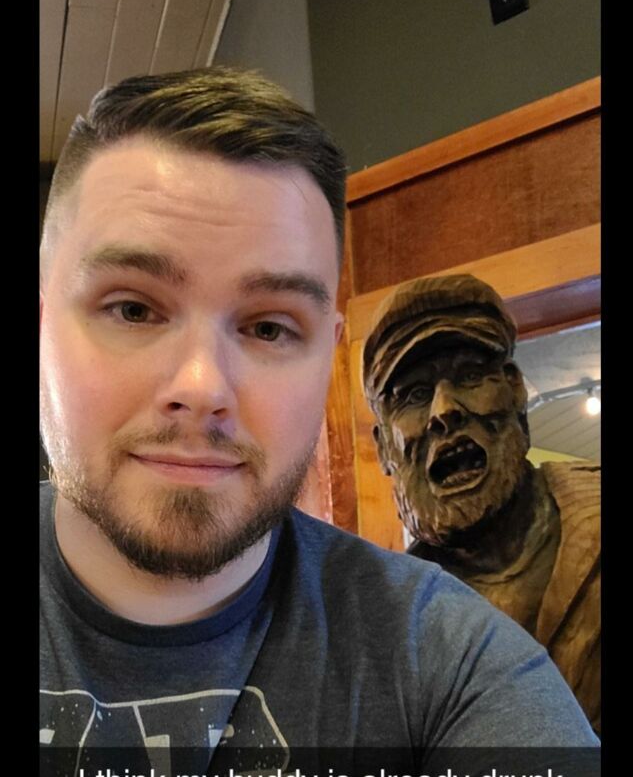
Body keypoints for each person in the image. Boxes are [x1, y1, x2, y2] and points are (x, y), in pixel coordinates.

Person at [40, 67, 599, 776]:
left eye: (270, 328)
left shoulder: (453, 665)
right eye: (133, 309)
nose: (202, 386)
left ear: (326, 359)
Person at [362, 273, 600, 735]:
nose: (444, 410)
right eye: (414, 395)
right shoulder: (390, 623)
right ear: (385, 448)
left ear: (515, 389)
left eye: (470, 377)